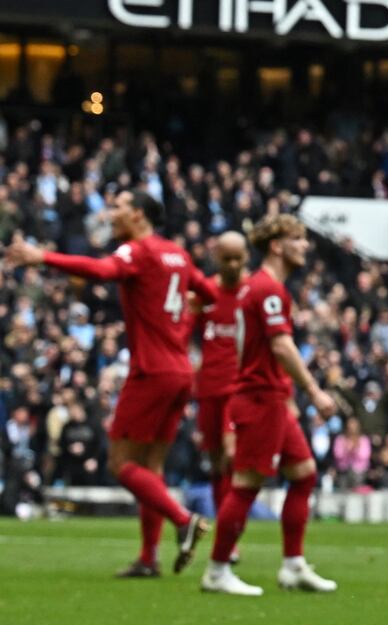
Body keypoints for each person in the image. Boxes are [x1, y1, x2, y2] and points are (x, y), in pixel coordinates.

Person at [5, 190, 215, 577]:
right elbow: (211, 294)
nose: (111, 213)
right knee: (151, 467)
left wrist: (42, 257)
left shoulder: (137, 250)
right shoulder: (178, 254)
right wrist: (191, 316)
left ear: (138, 214)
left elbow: (103, 271)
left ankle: (183, 520)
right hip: (182, 371)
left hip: (150, 372)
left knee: (121, 464)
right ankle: (149, 559)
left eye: (118, 206)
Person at [200, 214, 338, 597]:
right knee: (246, 485)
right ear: (277, 245)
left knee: (304, 473)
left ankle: (293, 565)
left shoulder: (257, 287)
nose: (305, 246)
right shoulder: (268, 289)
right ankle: (216, 569)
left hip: (272, 396)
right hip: (260, 398)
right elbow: (280, 345)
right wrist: (314, 390)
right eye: (298, 238)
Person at [191, 231, 248, 557]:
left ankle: (230, 541)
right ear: (216, 259)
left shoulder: (252, 292)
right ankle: (225, 536)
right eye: (226, 258)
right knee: (215, 462)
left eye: (237, 258)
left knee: (231, 456)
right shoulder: (206, 294)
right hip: (208, 388)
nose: (232, 264)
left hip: (237, 389)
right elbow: (185, 329)